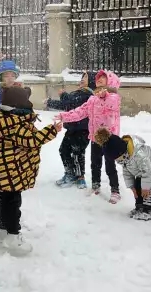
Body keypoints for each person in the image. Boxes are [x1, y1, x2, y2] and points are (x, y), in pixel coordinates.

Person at [0, 85, 60, 256]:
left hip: (1, 168)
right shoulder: (15, 124)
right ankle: (13, 234)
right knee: (13, 203)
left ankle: (2, 231)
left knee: (5, 200)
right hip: (12, 169)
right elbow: (32, 140)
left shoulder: (1, 119)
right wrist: (51, 130)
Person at [57, 70, 123, 203]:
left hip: (109, 138)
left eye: (103, 78)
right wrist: (64, 116)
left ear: (110, 82)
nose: (99, 79)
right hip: (94, 137)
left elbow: (110, 106)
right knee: (95, 164)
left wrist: (105, 95)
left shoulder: (114, 98)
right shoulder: (92, 99)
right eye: (98, 78)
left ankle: (115, 190)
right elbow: (80, 112)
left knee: (110, 166)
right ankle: (95, 185)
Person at [95, 127, 151, 221]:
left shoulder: (139, 154)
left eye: (119, 158)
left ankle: (148, 211)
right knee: (137, 186)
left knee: (148, 189)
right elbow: (127, 172)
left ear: (123, 152)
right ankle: (139, 207)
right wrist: (132, 187)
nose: (119, 161)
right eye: (117, 160)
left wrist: (146, 188)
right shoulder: (125, 158)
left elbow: (148, 171)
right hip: (144, 172)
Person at [46, 72, 95, 189]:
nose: (82, 79)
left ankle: (80, 177)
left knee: (78, 153)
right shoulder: (77, 93)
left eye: (86, 78)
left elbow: (71, 102)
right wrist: (50, 102)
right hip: (72, 129)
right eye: (82, 77)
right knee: (63, 150)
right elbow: (66, 106)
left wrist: (63, 95)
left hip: (82, 130)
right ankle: (70, 173)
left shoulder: (89, 95)